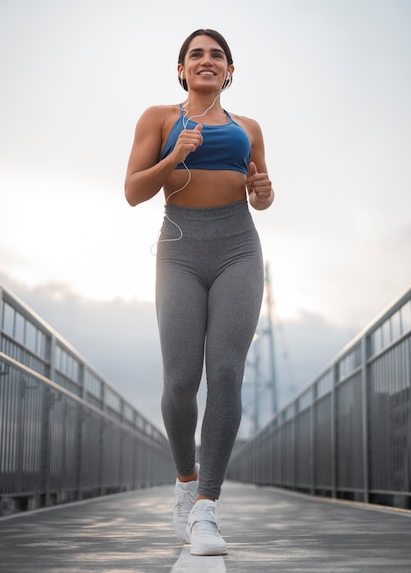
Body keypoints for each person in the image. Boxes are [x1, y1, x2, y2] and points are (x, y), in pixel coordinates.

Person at [124, 28, 274, 556]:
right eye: (196, 55)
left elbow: (261, 196)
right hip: (180, 250)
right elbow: (133, 192)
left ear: (229, 71)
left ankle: (207, 509)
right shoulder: (160, 118)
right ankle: (186, 483)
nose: (207, 61)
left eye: (217, 56)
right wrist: (173, 157)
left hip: (238, 248)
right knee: (182, 378)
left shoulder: (248, 127)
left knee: (227, 369)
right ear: (183, 71)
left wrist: (265, 191)